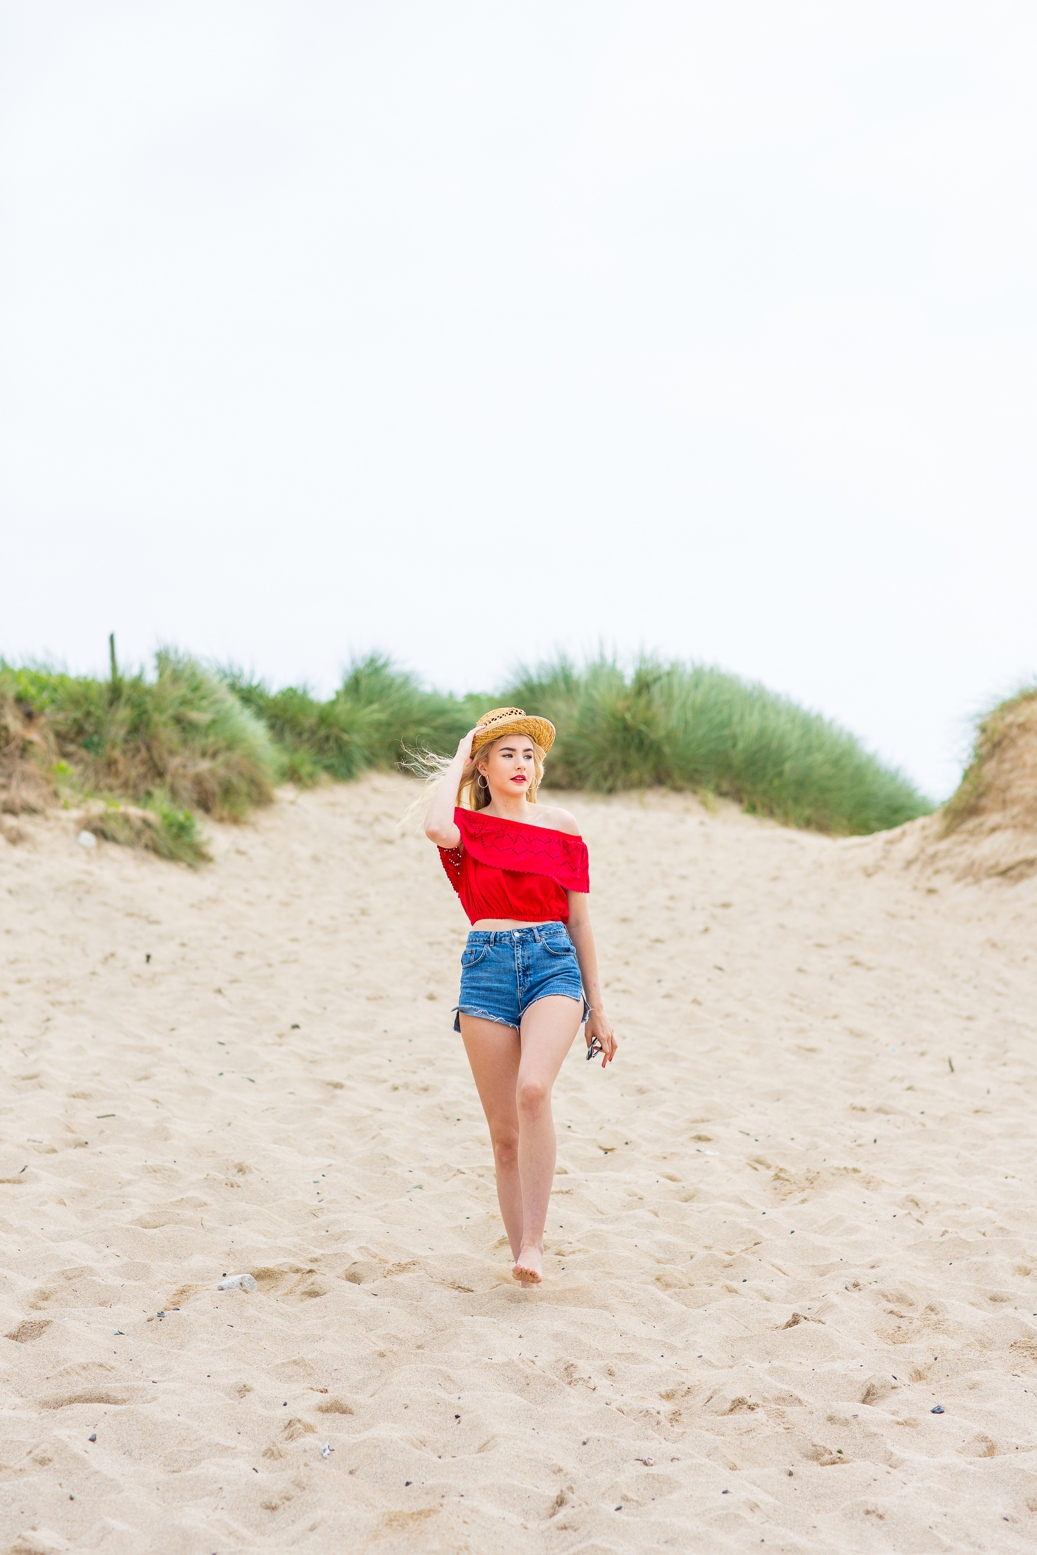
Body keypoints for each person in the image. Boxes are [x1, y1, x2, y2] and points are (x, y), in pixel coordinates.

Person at [423, 706, 617, 1285]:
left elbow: (580, 922)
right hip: (484, 970)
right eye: (506, 753)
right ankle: (520, 1258)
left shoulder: (562, 826)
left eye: (529, 754)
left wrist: (598, 1010)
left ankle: (534, 1243)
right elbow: (435, 826)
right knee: (504, 1134)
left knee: (534, 1089)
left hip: (552, 963)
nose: (521, 763)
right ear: (482, 766)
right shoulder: (465, 828)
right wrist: (461, 751)